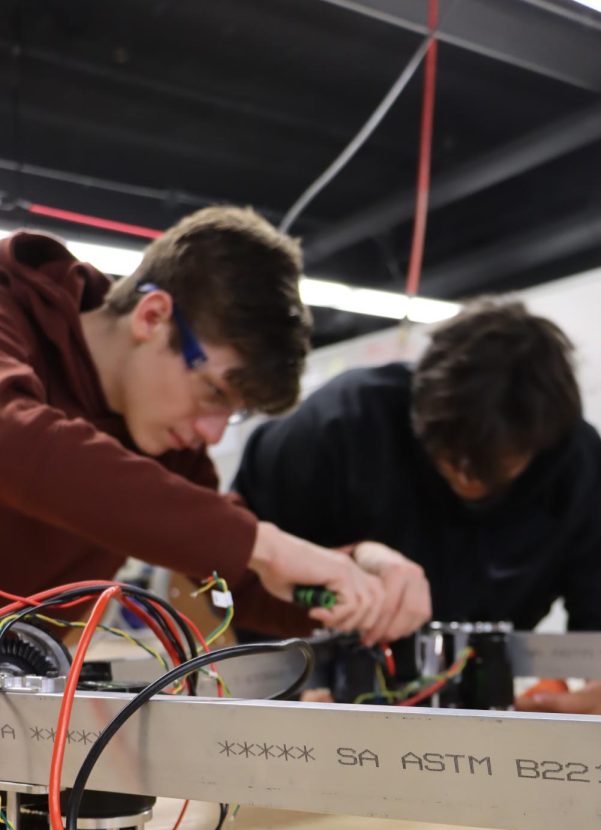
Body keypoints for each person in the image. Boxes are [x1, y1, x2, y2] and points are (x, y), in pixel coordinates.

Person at [234, 298, 601, 718]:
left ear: (542, 445)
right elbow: (219, 583)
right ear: (420, 409)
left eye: (495, 467)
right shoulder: (335, 429)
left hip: (478, 739)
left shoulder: (578, 473)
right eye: (450, 460)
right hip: (321, 733)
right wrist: (284, 690)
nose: (469, 481)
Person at [0, 206, 427, 643]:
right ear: (152, 316)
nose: (214, 433)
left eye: (234, 412)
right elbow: (14, 440)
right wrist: (265, 544)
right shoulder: (10, 303)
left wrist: (358, 578)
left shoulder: (171, 453)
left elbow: (242, 578)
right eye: (215, 394)